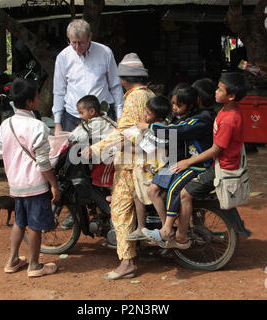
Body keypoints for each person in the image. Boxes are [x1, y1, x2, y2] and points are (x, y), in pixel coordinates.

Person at [84, 53, 155, 280]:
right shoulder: (148, 94)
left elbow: (124, 132)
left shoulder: (134, 98)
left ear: (124, 78)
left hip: (131, 163)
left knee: (120, 211)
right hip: (147, 158)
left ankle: (127, 263)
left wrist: (95, 149)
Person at [159, 72, 247, 248]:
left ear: (231, 96)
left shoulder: (228, 119)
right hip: (219, 163)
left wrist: (188, 162)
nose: (216, 91)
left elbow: (215, 150)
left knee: (184, 193)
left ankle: (179, 236)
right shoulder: (224, 111)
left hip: (221, 167)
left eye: (219, 89)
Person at [0, 78, 61, 278]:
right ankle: (34, 265)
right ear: (31, 102)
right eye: (38, 97)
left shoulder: (5, 125)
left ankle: (12, 260)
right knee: (35, 226)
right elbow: (43, 162)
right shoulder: (37, 126)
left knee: (19, 222)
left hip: (15, 184)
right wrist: (54, 184)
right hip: (35, 184)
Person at [140, 82, 215, 249]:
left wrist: (149, 126)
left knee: (176, 189)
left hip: (195, 164)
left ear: (193, 103)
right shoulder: (180, 118)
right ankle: (166, 227)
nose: (174, 108)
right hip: (177, 162)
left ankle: (167, 230)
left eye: (178, 105)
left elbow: (174, 132)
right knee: (153, 190)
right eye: (172, 104)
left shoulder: (198, 120)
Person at [52, 19, 124, 134]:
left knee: (105, 151)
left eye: (81, 43)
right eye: (73, 42)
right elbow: (59, 91)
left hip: (102, 116)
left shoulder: (105, 53)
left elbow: (115, 86)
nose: (76, 47)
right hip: (73, 117)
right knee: (75, 151)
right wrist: (57, 123)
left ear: (90, 37)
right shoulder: (63, 57)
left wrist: (120, 116)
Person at [124, 95, 171, 241]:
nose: (145, 115)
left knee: (146, 194)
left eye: (148, 113)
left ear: (157, 117)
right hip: (152, 166)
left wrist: (122, 148)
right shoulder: (160, 125)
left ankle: (164, 227)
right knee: (138, 195)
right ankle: (143, 227)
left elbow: (144, 149)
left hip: (157, 169)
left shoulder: (160, 130)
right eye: (145, 111)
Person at [69, 95, 117, 189]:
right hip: (107, 154)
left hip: (109, 157)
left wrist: (76, 131)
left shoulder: (96, 124)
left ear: (92, 111)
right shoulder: (105, 118)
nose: (80, 116)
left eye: (81, 113)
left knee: (104, 180)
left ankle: (111, 197)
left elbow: (81, 136)